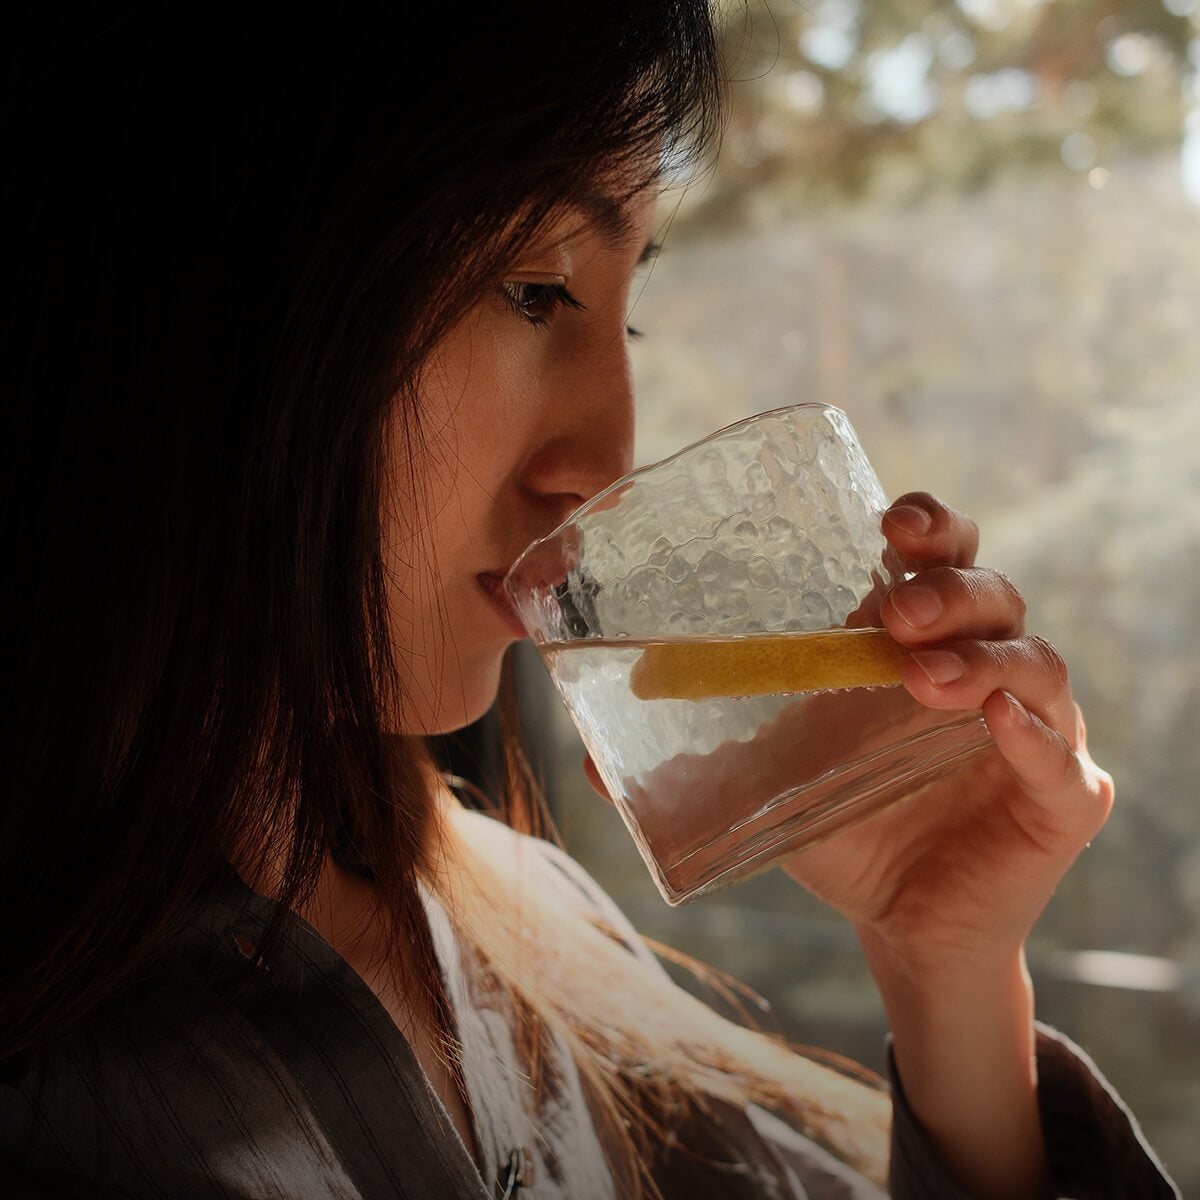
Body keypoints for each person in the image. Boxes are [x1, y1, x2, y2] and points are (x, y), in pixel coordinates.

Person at [0, 5, 1179, 1198]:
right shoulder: (69, 1100)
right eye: (535, 290)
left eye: (629, 313)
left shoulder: (533, 929)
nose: (609, 463)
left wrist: (946, 969)